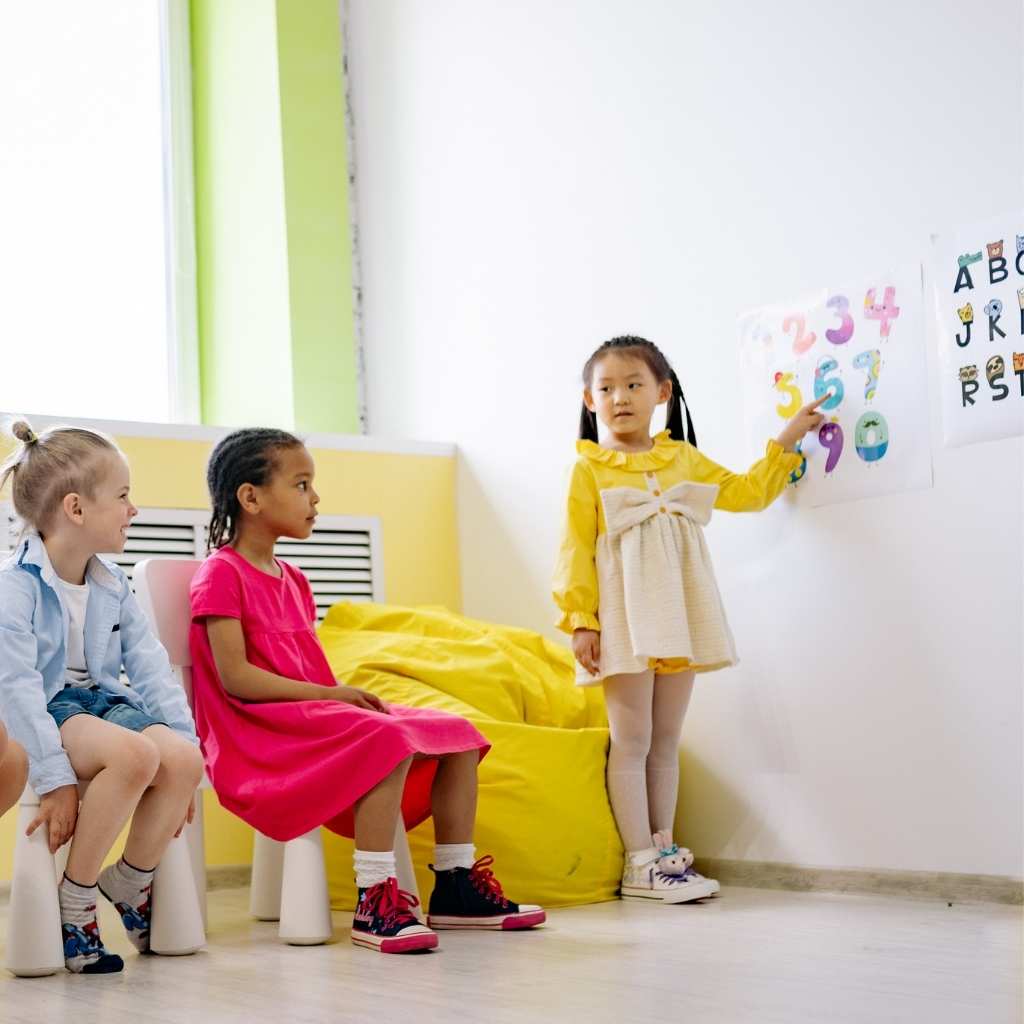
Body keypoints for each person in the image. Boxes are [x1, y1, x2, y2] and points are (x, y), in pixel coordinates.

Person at [553, 336, 824, 903]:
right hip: (624, 615)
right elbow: (574, 547)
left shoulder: (683, 458)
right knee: (633, 737)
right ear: (589, 399)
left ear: (662, 392)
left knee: (665, 740)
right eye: (606, 389)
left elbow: (746, 493)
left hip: (678, 611)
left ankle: (665, 852)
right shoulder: (589, 470)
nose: (620, 397)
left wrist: (787, 440)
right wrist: (582, 618)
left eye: (633, 385)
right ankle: (639, 863)